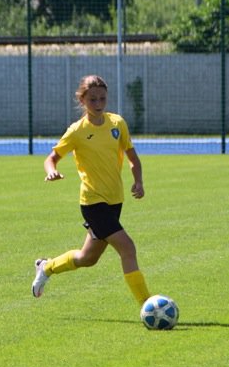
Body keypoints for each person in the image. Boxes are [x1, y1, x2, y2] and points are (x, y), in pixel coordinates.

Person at [31, 74, 152, 309]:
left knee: (88, 258)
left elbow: (133, 158)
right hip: (93, 202)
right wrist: (51, 171)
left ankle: (46, 266)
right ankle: (147, 305)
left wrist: (139, 181)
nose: (98, 104)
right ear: (82, 100)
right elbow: (51, 157)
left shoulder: (117, 124)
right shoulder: (77, 131)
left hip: (115, 200)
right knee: (127, 247)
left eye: (102, 99)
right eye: (93, 100)